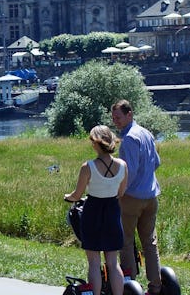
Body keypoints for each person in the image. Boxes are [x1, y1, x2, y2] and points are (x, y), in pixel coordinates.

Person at [65, 125, 129, 295]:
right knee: (113, 263)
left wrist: (68, 196)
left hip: (92, 212)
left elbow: (77, 195)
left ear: (95, 143)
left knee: (94, 262)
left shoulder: (88, 167)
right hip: (112, 212)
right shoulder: (122, 165)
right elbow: (121, 192)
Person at [111, 99, 163, 295]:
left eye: (118, 117)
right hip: (151, 196)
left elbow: (128, 173)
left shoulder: (130, 139)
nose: (115, 121)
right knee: (149, 242)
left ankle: (130, 285)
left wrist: (118, 194)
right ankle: (156, 286)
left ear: (129, 115)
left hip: (132, 198)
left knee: (125, 241)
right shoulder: (146, 133)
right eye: (113, 118)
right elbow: (156, 163)